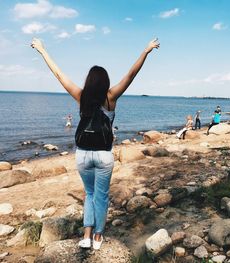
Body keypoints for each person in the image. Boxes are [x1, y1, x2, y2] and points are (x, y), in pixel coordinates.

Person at [31, 37, 160, 250]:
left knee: (89, 194)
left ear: (89, 81)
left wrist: (43, 50)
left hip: (82, 155)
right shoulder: (111, 97)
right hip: (103, 155)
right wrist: (146, 51)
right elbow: (131, 74)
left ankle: (86, 235)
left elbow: (58, 74)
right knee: (101, 196)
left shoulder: (81, 96)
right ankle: (98, 238)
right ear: (106, 81)